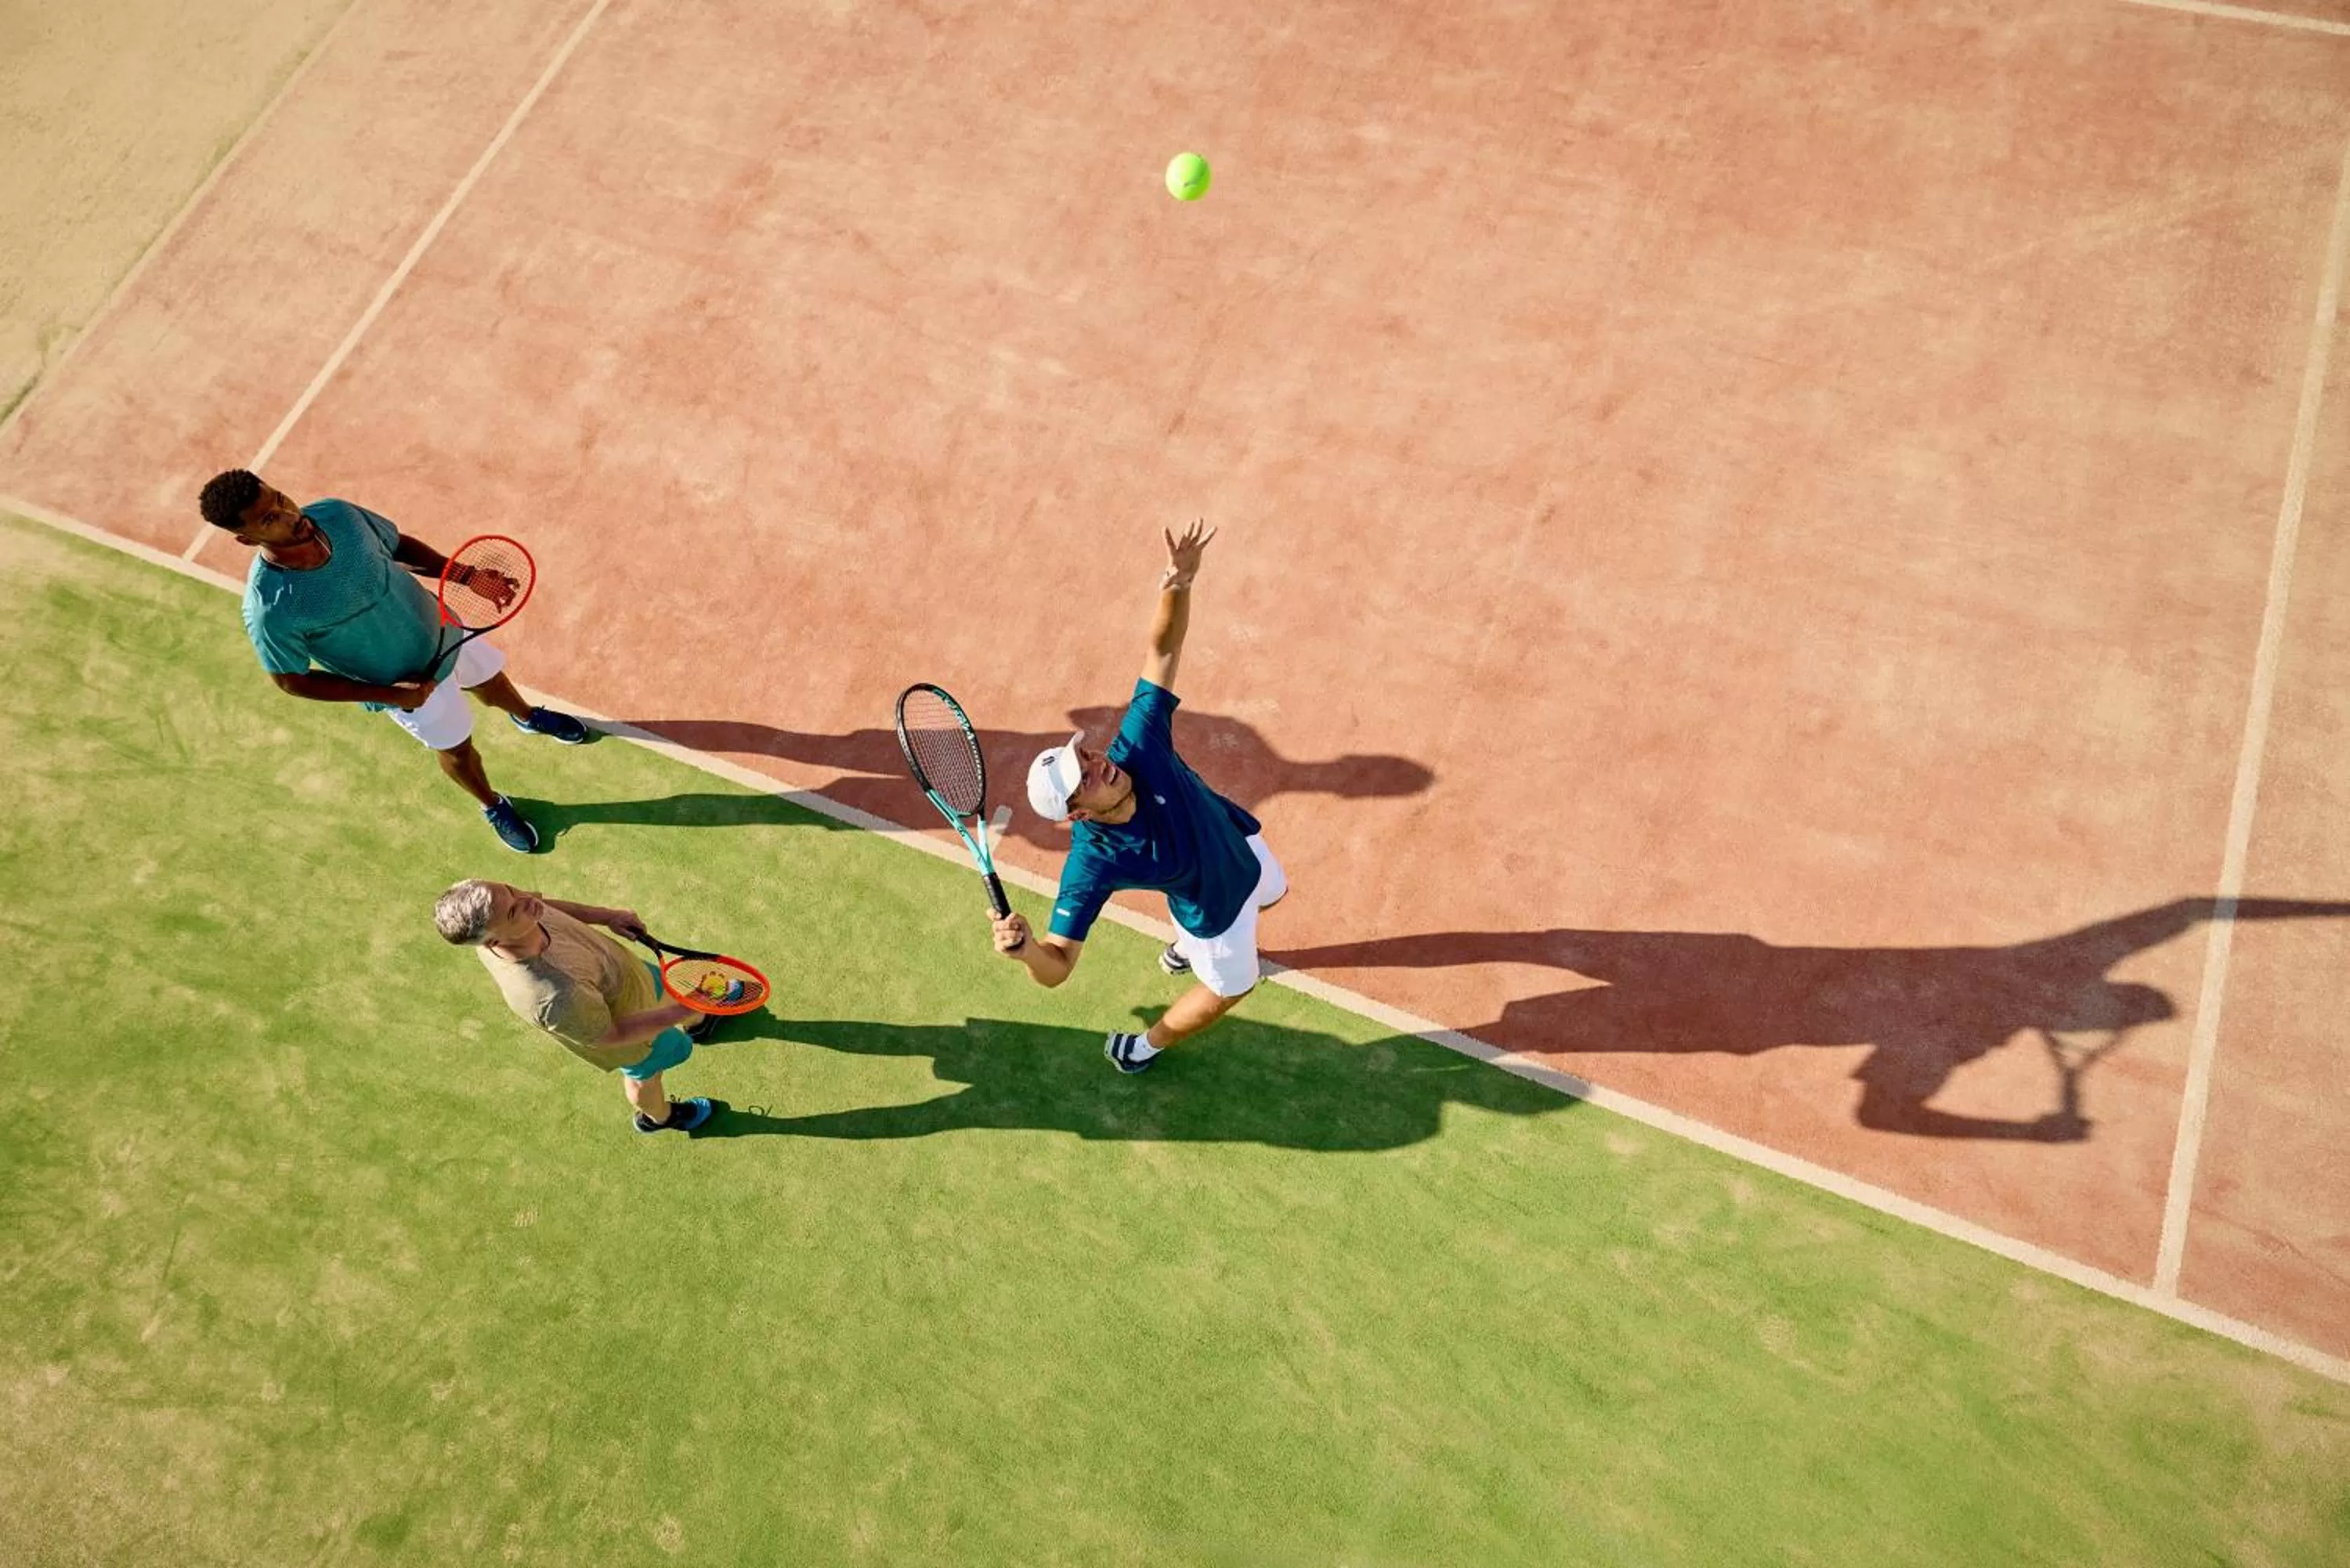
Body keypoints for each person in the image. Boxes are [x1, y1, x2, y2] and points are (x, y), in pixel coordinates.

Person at [992, 522, 1287, 1072]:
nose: (1097, 763)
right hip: (1215, 917)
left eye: (1083, 756)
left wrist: (1178, 584)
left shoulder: (1137, 747)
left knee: (1274, 894)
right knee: (1231, 991)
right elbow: (1058, 966)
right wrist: (1026, 950)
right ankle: (1143, 1048)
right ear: (1077, 814)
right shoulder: (1092, 864)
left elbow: (1163, 650)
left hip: (1241, 848)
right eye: (1083, 777)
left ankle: (1180, 950)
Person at [198, 468, 589, 852]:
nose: (290, 516)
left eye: (280, 499)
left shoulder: (338, 515)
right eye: (269, 519)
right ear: (246, 540)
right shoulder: (271, 608)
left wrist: (465, 576)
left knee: (490, 679)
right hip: (406, 687)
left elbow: (397, 546)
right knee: (456, 751)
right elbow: (290, 681)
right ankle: (492, 804)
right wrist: (389, 695)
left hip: (443, 628)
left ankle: (527, 717)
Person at [433, 880, 720, 1133]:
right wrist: (680, 1011)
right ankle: (659, 1118)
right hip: (632, 1033)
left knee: (677, 996)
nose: (526, 900)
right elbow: (612, 1035)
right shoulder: (552, 996)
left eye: (509, 889)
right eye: (512, 911)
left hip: (630, 975)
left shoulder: (518, 909)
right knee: (646, 1076)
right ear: (494, 941)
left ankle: (700, 1023)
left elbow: (546, 906)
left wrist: (608, 917)